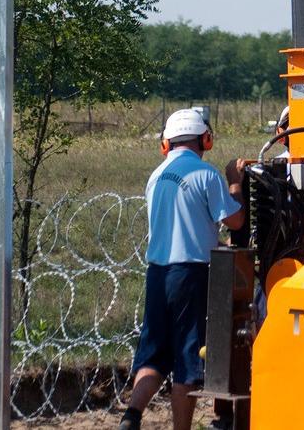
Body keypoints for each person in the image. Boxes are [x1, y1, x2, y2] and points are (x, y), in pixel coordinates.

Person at [120, 107, 246, 430]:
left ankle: (131, 415)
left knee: (153, 355)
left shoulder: (155, 177)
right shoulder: (207, 175)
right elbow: (235, 220)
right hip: (191, 275)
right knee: (188, 362)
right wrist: (235, 183)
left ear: (166, 144)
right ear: (205, 139)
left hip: (158, 272)